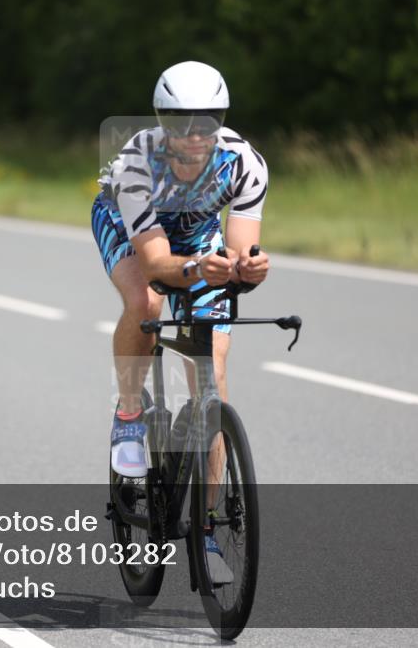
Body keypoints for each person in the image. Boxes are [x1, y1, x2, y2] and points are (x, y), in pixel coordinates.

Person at [91, 61, 270, 582]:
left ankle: (208, 530)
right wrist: (194, 270)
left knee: (210, 378)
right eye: (180, 123)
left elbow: (238, 249)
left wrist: (248, 267)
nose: (194, 135)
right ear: (160, 121)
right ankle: (129, 415)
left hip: (194, 234)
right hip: (129, 229)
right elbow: (153, 263)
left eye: (207, 122)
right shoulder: (134, 164)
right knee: (146, 303)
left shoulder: (244, 163)